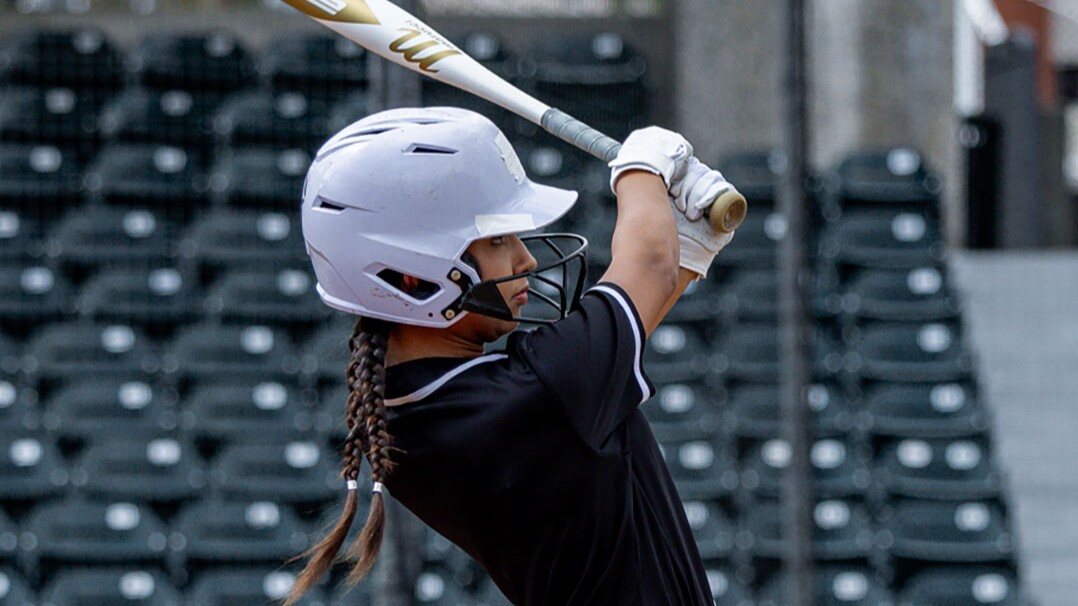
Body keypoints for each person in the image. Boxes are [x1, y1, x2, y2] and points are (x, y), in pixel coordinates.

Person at [286, 106, 739, 606]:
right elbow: (649, 266)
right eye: (499, 239)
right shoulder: (526, 400)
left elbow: (650, 283)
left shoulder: (416, 412)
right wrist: (644, 163)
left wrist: (687, 249)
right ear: (413, 277)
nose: (526, 259)